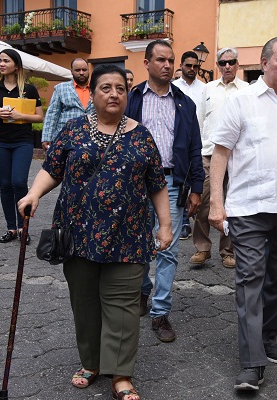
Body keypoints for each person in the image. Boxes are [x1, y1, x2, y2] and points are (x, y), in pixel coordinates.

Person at [17, 64, 173, 400]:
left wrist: (166, 225)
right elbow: (52, 169)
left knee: (123, 306)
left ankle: (120, 373)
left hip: (128, 235)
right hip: (78, 234)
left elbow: (157, 184)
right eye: (106, 87)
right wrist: (33, 194)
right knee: (85, 303)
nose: (114, 93)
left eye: (120, 88)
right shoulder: (73, 130)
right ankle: (91, 362)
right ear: (94, 93)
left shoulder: (141, 135)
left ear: (126, 94)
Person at [208, 36, 277, 391]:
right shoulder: (240, 101)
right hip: (250, 208)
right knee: (250, 281)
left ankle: (267, 336)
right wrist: (216, 204)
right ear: (265, 62)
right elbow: (220, 155)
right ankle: (252, 364)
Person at [125, 40, 203, 342]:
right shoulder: (132, 99)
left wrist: (196, 187)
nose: (168, 65)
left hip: (171, 182)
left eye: (171, 60)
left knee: (167, 248)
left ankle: (160, 313)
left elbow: (195, 147)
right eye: (160, 60)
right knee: (138, 243)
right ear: (146, 63)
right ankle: (144, 290)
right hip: (134, 182)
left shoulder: (185, 103)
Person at [189, 47, 248, 269]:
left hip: (236, 156)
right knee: (204, 202)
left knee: (231, 204)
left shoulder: (246, 90)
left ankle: (228, 250)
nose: (227, 67)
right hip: (209, 154)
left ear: (238, 64)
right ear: (217, 66)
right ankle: (202, 248)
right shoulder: (208, 89)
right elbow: (200, 121)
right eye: (222, 63)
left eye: (231, 62)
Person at [0, 49, 44, 245]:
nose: (1, 63)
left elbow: (39, 116)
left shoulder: (29, 89)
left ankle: (24, 228)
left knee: (19, 182)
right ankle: (12, 228)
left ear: (16, 65)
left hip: (22, 141)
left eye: (5, 60)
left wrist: (20, 117)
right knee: (5, 185)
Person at [174, 51, 206, 240]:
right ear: (182, 65)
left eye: (195, 66)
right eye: (188, 65)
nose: (192, 69)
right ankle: (183, 222)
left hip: (198, 142)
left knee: (194, 182)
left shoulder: (205, 89)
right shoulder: (173, 87)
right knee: (179, 183)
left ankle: (188, 218)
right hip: (177, 143)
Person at [41, 58, 93, 150]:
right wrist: (46, 137)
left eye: (84, 70)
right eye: (77, 70)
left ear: (88, 70)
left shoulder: (97, 88)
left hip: (91, 136)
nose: (81, 73)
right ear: (71, 71)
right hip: (65, 136)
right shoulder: (60, 88)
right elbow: (52, 114)